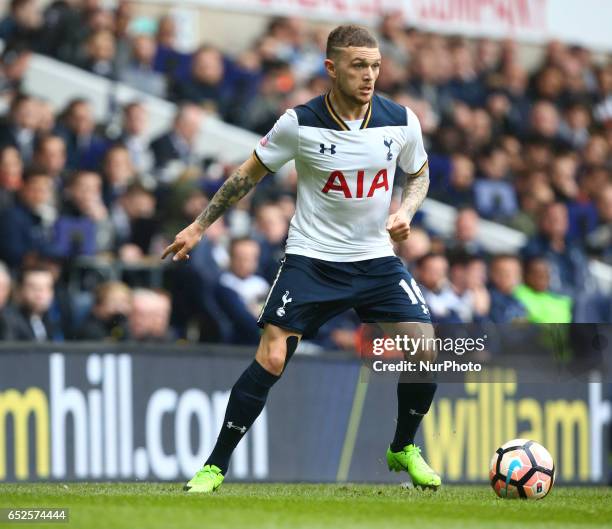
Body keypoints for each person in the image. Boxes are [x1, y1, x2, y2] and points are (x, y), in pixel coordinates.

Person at [163, 25, 440, 493]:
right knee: (272, 357)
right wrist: (199, 226)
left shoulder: (400, 120)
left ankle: (403, 446)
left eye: (374, 66)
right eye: (358, 66)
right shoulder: (300, 122)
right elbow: (247, 175)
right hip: (312, 260)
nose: (369, 75)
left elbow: (419, 173)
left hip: (374, 260)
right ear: (331, 68)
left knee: (426, 350)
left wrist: (406, 210)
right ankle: (215, 466)